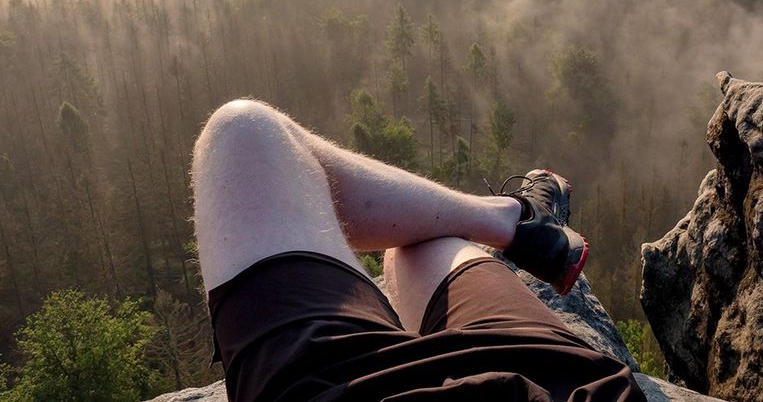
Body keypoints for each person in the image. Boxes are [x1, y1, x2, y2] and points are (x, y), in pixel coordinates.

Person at [193, 98, 647, 401]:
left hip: (334, 386)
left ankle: (513, 219)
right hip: (551, 387)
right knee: (420, 249)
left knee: (243, 131)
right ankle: (519, 219)